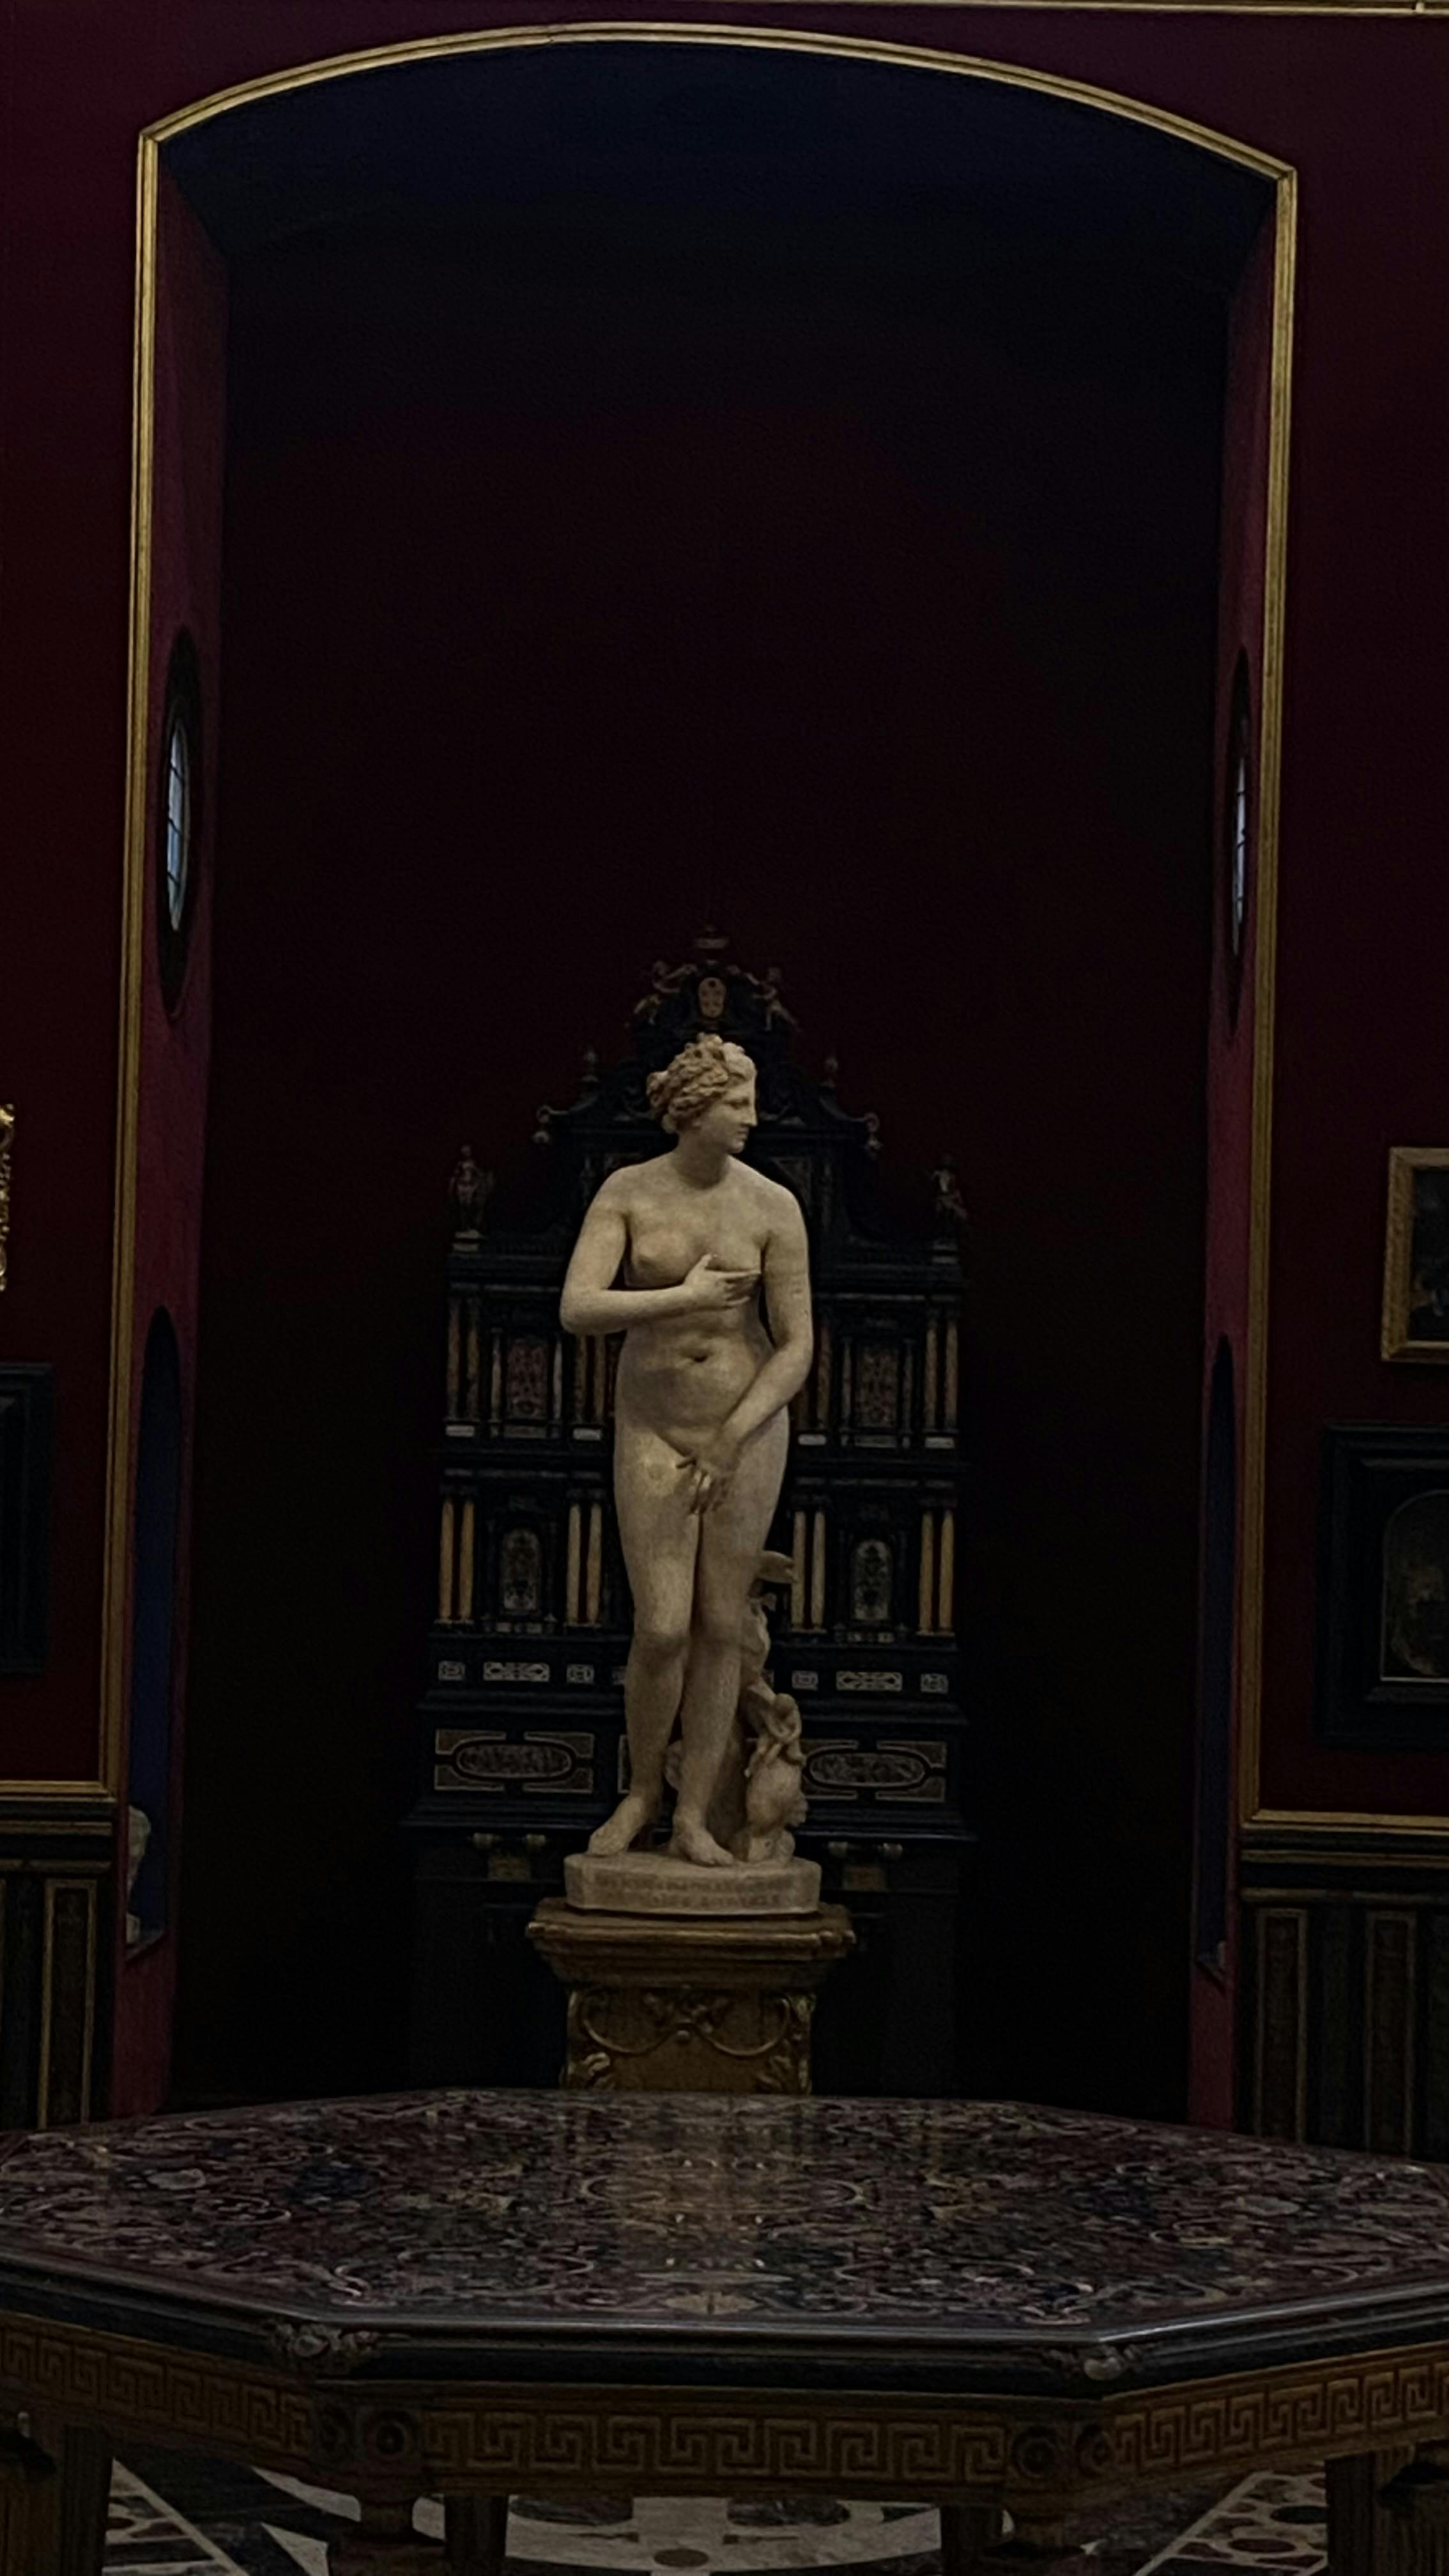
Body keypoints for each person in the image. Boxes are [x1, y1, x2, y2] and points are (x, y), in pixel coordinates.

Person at [559, 1034, 813, 1865]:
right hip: (655, 1426)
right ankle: (642, 1793)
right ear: (695, 1109)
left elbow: (797, 1346)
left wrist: (734, 1438)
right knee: (664, 1626)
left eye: (750, 1101)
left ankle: (695, 1817)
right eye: (737, 1103)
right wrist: (684, 1297)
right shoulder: (629, 1192)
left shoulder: (773, 1206)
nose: (751, 1118)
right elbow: (578, 1308)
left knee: (719, 1624)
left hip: (745, 1430)